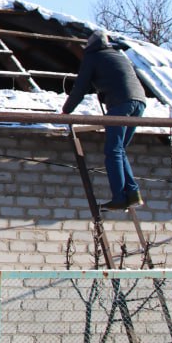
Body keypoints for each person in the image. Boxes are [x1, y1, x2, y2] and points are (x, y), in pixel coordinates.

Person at [61, 30, 147, 210]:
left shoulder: (93, 57)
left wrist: (66, 111)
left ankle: (119, 197)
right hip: (139, 102)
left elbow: (80, 87)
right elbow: (118, 78)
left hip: (121, 103)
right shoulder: (116, 54)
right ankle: (132, 192)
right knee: (120, 149)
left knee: (113, 150)